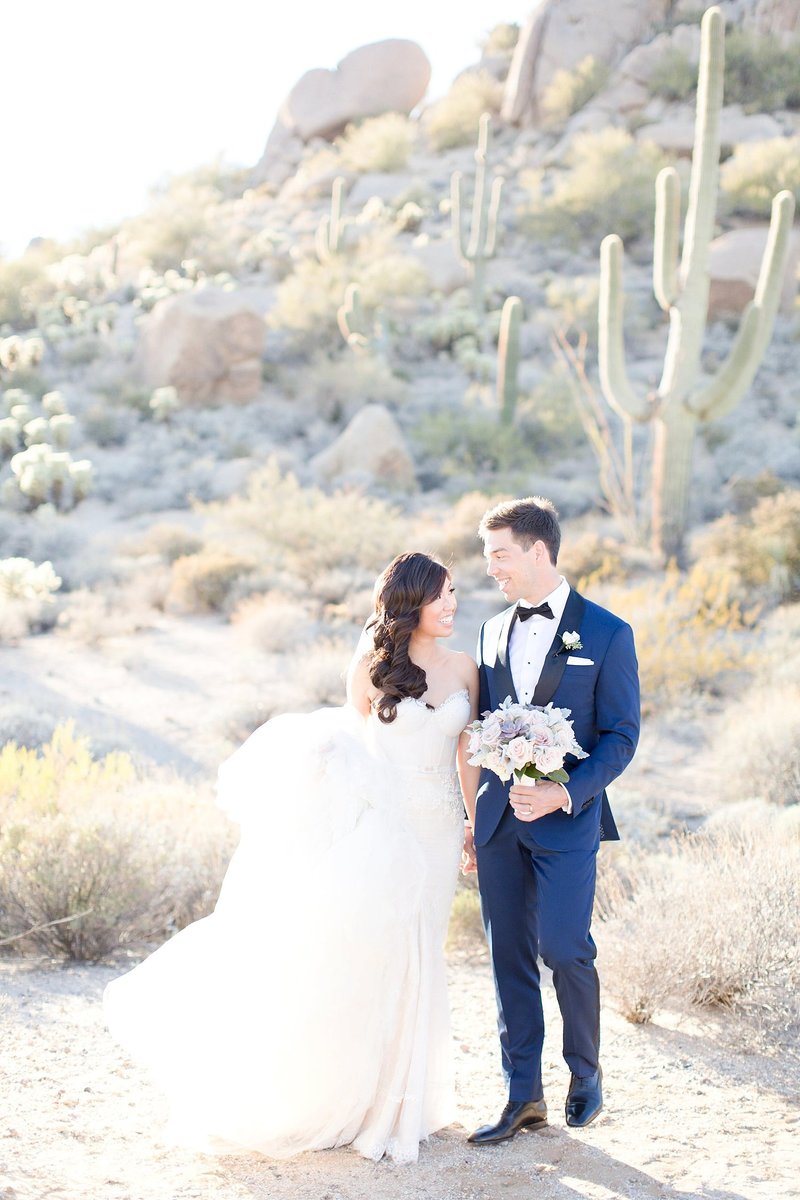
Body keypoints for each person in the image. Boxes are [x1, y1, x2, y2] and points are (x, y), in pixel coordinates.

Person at [104, 552, 479, 1165]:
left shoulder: (465, 668)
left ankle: (413, 1101)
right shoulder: (369, 666)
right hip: (385, 826)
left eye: (455, 592)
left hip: (439, 828)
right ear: (410, 603)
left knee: (425, 953)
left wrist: (471, 824)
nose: (452, 604)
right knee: (382, 956)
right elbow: (356, 751)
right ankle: (366, 1104)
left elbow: (467, 753)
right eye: (441, 595)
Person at [462, 497, 640, 1145]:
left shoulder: (607, 633)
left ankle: (585, 1073)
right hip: (499, 823)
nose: (492, 570)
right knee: (508, 958)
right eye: (488, 558)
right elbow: (485, 728)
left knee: (564, 949)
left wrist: (563, 791)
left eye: (500, 555)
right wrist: (471, 813)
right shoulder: (488, 631)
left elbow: (621, 736)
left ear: (539, 551)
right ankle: (521, 1095)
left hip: (568, 821)